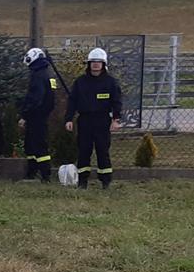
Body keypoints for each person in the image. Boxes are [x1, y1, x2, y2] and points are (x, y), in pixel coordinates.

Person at [64, 48, 123, 189]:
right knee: (84, 150)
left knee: (103, 150)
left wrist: (116, 119)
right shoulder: (80, 82)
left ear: (104, 64)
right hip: (85, 120)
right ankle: (83, 181)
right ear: (88, 64)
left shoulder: (110, 83)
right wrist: (68, 119)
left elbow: (117, 102)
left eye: (99, 62)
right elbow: (72, 101)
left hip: (102, 120)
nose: (96, 64)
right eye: (93, 62)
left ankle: (105, 181)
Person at [18, 48, 58, 183]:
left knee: (38, 145)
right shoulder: (48, 74)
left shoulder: (38, 76)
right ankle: (32, 172)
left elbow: (35, 98)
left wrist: (25, 114)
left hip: (36, 116)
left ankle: (44, 175)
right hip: (42, 116)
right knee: (31, 145)